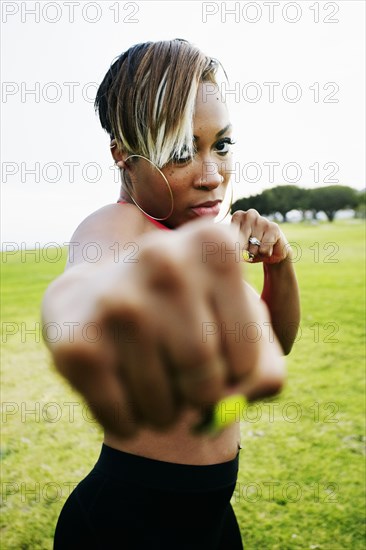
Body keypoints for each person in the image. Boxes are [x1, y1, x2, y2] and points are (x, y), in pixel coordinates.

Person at [42, 39, 300, 549]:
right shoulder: (118, 225)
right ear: (122, 154)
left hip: (210, 517)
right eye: (181, 153)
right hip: (128, 523)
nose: (212, 176)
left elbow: (278, 344)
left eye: (221, 145)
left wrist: (279, 264)